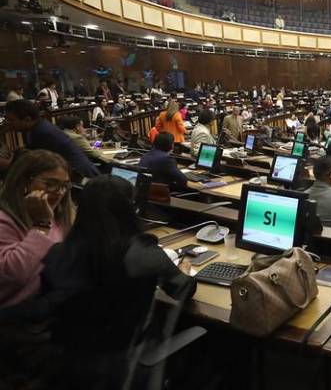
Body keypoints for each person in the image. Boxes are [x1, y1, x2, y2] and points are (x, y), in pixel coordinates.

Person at [3, 175, 195, 388]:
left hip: (64, 365)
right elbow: (184, 290)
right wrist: (182, 269)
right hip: (126, 367)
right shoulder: (142, 253)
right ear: (129, 209)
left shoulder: (58, 252)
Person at [0, 150, 73, 307]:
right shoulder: (4, 219)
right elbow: (13, 275)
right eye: (51, 184)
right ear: (24, 182)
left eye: (64, 186)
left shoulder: (58, 215)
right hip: (14, 317)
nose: (60, 193)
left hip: (48, 306)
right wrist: (41, 225)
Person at [4, 100, 99, 178]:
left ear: (27, 119)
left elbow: (37, 165)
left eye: (11, 120)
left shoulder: (42, 132)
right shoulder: (35, 127)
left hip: (80, 177)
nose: (7, 123)